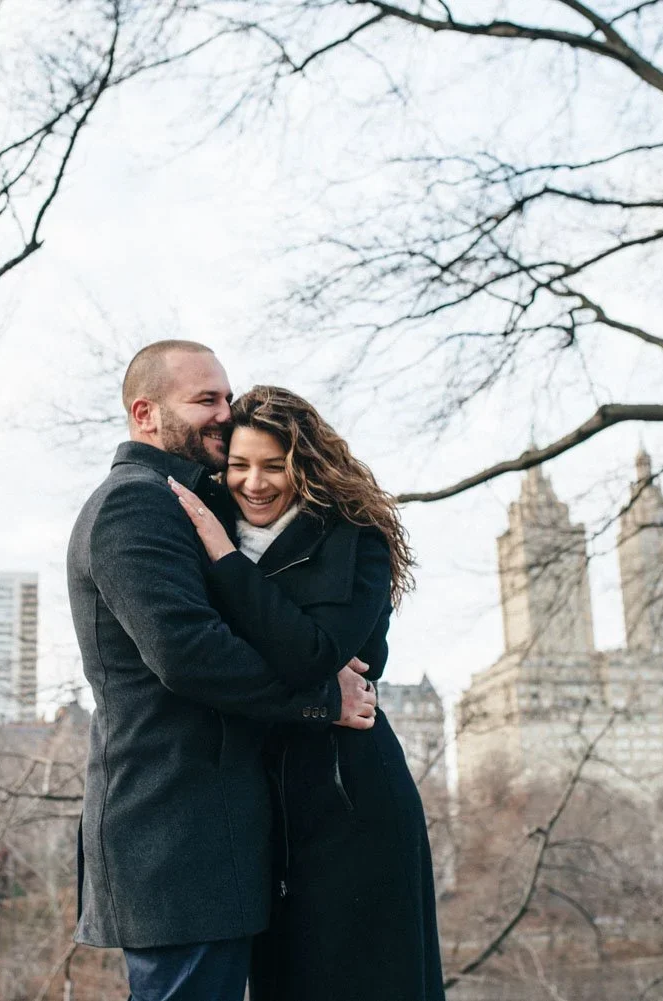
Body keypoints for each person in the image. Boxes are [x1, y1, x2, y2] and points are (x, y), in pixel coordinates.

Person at [67, 341, 378, 1001]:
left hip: (211, 844)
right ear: (145, 412)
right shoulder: (135, 503)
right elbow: (189, 652)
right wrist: (321, 697)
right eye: (205, 399)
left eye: (226, 397)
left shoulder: (192, 501)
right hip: (176, 841)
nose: (224, 412)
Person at [170, 385, 446, 1001]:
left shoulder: (357, 540)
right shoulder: (192, 528)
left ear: (306, 465)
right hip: (254, 809)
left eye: (275, 466)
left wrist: (225, 558)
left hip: (352, 800)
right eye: (240, 465)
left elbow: (314, 656)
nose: (255, 483)